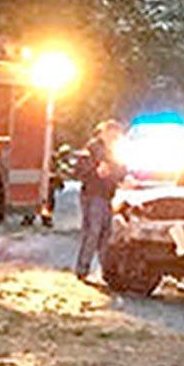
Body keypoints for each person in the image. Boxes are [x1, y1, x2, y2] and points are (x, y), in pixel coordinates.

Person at [75, 120, 125, 282]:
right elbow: (80, 169)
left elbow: (121, 170)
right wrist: (95, 169)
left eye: (116, 135)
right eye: (113, 134)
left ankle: (107, 272)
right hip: (93, 194)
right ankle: (83, 268)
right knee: (93, 232)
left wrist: (121, 176)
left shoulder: (115, 151)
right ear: (105, 132)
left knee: (106, 234)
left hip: (107, 196)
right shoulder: (92, 148)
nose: (115, 138)